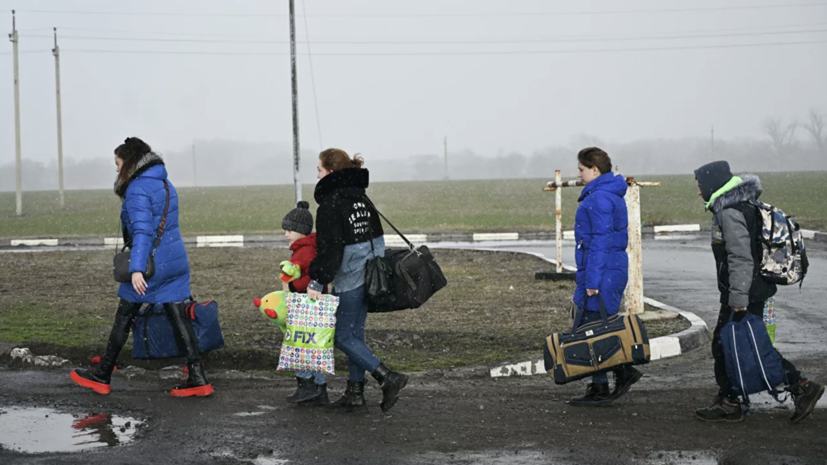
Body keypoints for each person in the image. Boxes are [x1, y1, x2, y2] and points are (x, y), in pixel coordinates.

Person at [70, 137, 213, 397]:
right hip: (175, 260)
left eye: (118, 163)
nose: (116, 169)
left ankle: (102, 374)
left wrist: (137, 269)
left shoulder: (137, 189)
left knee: (124, 315)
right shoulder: (166, 184)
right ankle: (197, 377)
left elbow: (143, 232)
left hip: (152, 264)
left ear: (130, 162)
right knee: (178, 315)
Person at [693, 161, 824, 423]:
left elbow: (740, 258)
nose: (698, 191)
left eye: (699, 185)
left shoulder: (729, 211)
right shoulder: (741, 204)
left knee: (738, 347)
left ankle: (798, 387)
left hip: (744, 292)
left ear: (712, 183)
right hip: (750, 289)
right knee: (740, 345)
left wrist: (738, 298)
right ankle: (733, 398)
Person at [305, 148, 408, 413]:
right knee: (355, 336)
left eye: (319, 169)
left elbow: (331, 250)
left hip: (350, 279)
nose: (316, 174)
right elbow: (377, 239)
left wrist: (317, 281)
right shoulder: (361, 199)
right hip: (371, 277)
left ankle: (387, 377)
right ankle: (354, 392)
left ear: (330, 171)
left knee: (341, 337)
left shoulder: (330, 204)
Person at [568, 147, 642, 405]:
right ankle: (612, 377)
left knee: (593, 330)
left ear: (595, 170)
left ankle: (607, 382)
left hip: (603, 272)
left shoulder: (599, 198)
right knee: (599, 327)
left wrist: (593, 282)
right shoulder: (608, 194)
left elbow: (600, 242)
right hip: (609, 269)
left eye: (581, 169)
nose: (578, 174)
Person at [280, 200, 329, 406]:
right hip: (311, 305)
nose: (286, 234)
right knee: (312, 348)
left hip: (306, 304)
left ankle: (307, 386)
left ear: (301, 231)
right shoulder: (306, 248)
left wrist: (291, 286)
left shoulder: (305, 251)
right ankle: (318, 388)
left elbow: (310, 279)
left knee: (300, 347)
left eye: (290, 230)